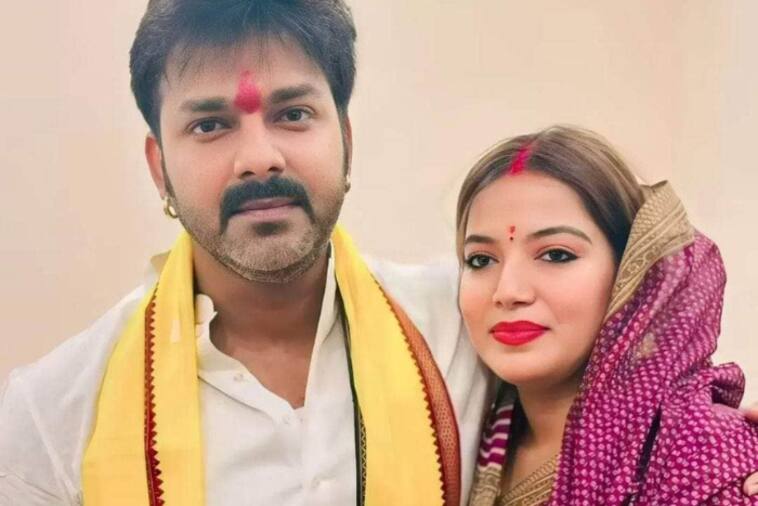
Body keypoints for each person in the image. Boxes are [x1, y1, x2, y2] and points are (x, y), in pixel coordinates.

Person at [0, 1, 491, 505]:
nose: (259, 159)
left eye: (293, 115)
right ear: (159, 168)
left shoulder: (465, 327)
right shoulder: (50, 418)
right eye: (210, 125)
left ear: (346, 140)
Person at [456, 125, 758, 505]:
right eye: (480, 260)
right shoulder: (455, 444)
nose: (508, 292)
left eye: (556, 254)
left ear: (631, 274)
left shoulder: (707, 460)